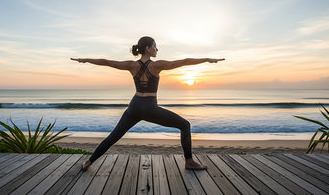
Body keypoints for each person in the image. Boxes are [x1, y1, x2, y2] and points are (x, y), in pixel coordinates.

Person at [71, 36, 225, 171]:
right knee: (185, 126)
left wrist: (84, 60)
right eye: (155, 46)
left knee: (113, 136)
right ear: (148, 48)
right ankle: (189, 162)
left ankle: (88, 162)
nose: (157, 49)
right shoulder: (156, 65)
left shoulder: (132, 65)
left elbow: (106, 62)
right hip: (150, 108)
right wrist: (207, 59)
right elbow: (184, 62)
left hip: (134, 106)